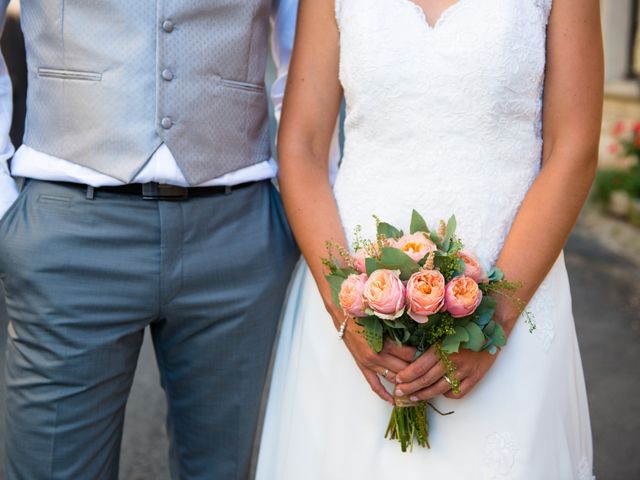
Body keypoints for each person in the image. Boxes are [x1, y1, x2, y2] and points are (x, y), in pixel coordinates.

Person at [257, 0, 601, 478]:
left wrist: (493, 323)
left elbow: (573, 149)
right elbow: (302, 146)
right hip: (354, 303)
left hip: (512, 297)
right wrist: (347, 309)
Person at [0, 1, 310, 478]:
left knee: (223, 470)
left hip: (238, 229)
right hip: (68, 226)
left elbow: (309, 57)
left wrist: (296, 204)